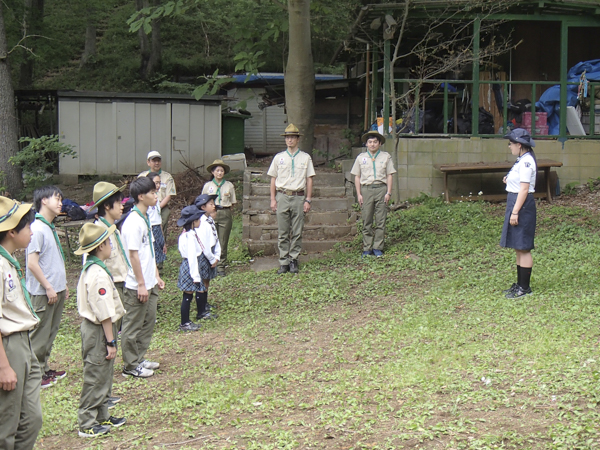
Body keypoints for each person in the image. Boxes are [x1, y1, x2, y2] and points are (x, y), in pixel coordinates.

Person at [74, 223, 126, 438]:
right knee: (95, 374)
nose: (111, 245)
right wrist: (111, 341)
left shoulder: (97, 268)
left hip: (101, 329)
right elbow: (104, 313)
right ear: (100, 246)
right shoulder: (98, 274)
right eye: (108, 242)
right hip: (98, 330)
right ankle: (86, 421)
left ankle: (102, 414)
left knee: (104, 374)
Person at [0, 197, 42, 450]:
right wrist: (4, 366)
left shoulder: (9, 262)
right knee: (7, 423)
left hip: (23, 343)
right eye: (27, 227)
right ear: (12, 231)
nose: (31, 231)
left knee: (31, 419)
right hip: (9, 347)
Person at [120, 177, 165, 378]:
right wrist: (140, 283)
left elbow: (151, 252)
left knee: (149, 321)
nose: (156, 196)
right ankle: (130, 365)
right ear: (141, 196)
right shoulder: (132, 222)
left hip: (150, 281)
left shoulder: (146, 218)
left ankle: (139, 357)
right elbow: (133, 254)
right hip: (137, 284)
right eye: (152, 193)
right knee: (133, 325)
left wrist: (156, 275)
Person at [90, 181, 129, 409]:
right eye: (118, 204)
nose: (122, 207)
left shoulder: (112, 229)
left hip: (119, 285)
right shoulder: (97, 233)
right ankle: (100, 395)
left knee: (112, 339)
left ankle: (107, 392)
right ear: (106, 206)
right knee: (106, 343)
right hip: (108, 289)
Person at [26, 186, 68, 388]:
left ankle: (44, 368)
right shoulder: (37, 228)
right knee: (39, 334)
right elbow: (32, 263)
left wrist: (63, 285)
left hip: (55, 289)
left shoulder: (49, 227)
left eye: (61, 199)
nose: (60, 203)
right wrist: (48, 287)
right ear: (43, 201)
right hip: (44, 292)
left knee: (50, 331)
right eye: (56, 199)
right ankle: (35, 375)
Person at [267, 124, 315, 274]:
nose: (290, 140)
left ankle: (293, 259)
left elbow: (309, 179)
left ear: (297, 139)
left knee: (297, 230)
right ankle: (283, 261)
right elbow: (273, 179)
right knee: (282, 231)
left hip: (298, 197)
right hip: (282, 196)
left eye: (293, 137)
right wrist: (273, 199)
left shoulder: (305, 158)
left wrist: (308, 199)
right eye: (287, 137)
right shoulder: (279, 158)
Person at [501, 128, 537, 299]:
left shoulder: (526, 161)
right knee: (518, 246)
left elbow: (524, 189)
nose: (509, 147)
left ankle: (525, 287)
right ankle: (519, 284)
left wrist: (515, 212)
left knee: (523, 247)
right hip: (515, 202)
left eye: (511, 144)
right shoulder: (521, 159)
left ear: (519, 145)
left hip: (521, 205)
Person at [351, 130, 396, 257]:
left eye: (375, 142)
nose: (372, 144)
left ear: (380, 143)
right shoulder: (361, 158)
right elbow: (357, 177)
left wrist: (388, 192)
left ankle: (378, 247)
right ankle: (367, 248)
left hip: (381, 189)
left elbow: (389, 175)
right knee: (367, 219)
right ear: (366, 144)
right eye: (370, 142)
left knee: (381, 219)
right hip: (366, 189)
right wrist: (359, 194)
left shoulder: (385, 157)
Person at [202, 159, 237, 276]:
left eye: (221, 171)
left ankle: (221, 266)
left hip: (225, 213)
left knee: (222, 240)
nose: (219, 173)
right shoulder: (208, 186)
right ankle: (210, 263)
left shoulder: (229, 185)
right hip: (211, 213)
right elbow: (203, 202)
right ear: (212, 172)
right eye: (217, 170)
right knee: (210, 239)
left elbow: (233, 202)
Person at [176, 205, 205, 331]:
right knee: (187, 296)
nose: (200, 221)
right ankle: (185, 322)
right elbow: (192, 257)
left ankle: (186, 321)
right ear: (193, 222)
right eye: (198, 219)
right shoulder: (190, 237)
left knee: (188, 295)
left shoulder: (185, 234)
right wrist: (196, 276)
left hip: (187, 265)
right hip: (190, 267)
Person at [194, 194, 220, 320]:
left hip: (212, 253)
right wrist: (211, 258)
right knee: (202, 281)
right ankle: (201, 310)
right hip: (205, 255)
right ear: (203, 207)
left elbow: (215, 237)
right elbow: (203, 244)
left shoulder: (210, 219)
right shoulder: (201, 223)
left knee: (207, 280)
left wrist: (217, 255)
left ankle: (205, 304)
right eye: (210, 204)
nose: (213, 206)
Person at [138, 151, 176, 233]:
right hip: (146, 205)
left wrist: (158, 207)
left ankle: (162, 243)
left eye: (158, 161)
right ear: (148, 162)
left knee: (162, 225)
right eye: (154, 161)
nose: (157, 163)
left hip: (162, 205)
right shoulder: (142, 176)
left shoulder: (167, 177)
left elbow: (169, 195)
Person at [146, 172, 167, 268]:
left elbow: (158, 218)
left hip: (157, 227)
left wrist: (162, 237)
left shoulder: (156, 198)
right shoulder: (146, 200)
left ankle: (157, 271)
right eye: (156, 183)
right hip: (150, 228)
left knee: (159, 250)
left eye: (159, 183)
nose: (158, 185)